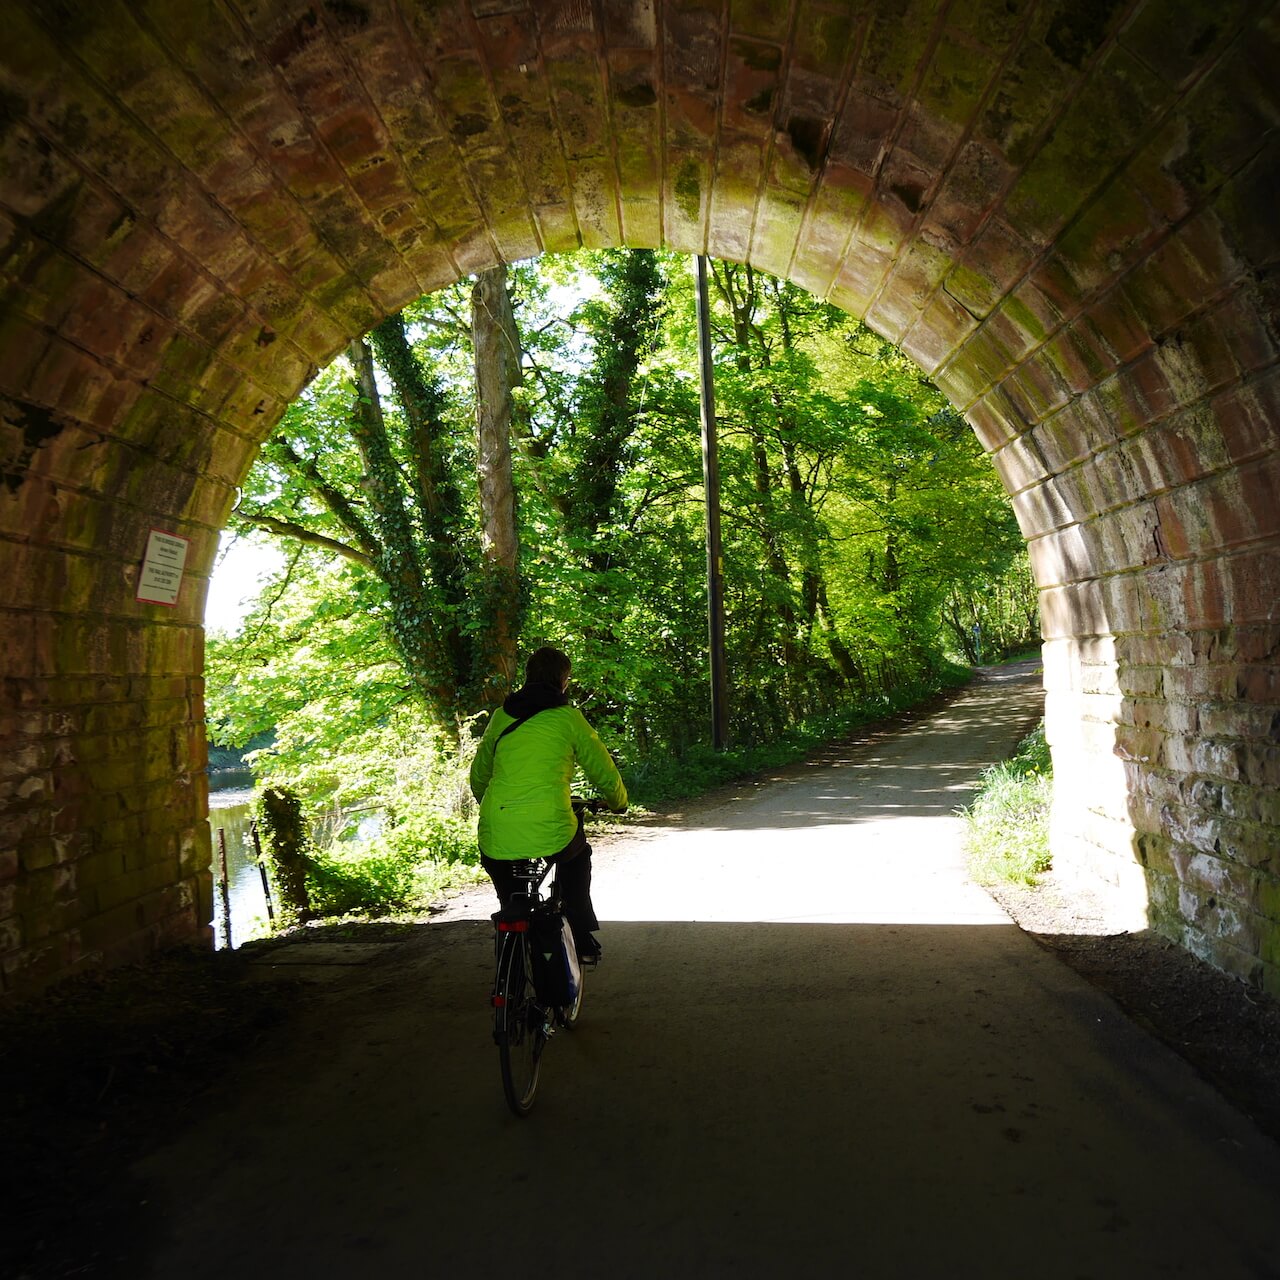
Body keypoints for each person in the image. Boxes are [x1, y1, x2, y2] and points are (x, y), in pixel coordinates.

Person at [469, 646, 627, 963]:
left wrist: (498, 808)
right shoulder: (569, 719)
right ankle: (581, 937)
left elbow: (478, 778)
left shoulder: (501, 717)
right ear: (563, 681)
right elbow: (602, 769)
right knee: (577, 860)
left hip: (497, 826)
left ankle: (511, 958)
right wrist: (618, 803)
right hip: (552, 826)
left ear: (528, 678)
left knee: (511, 897)